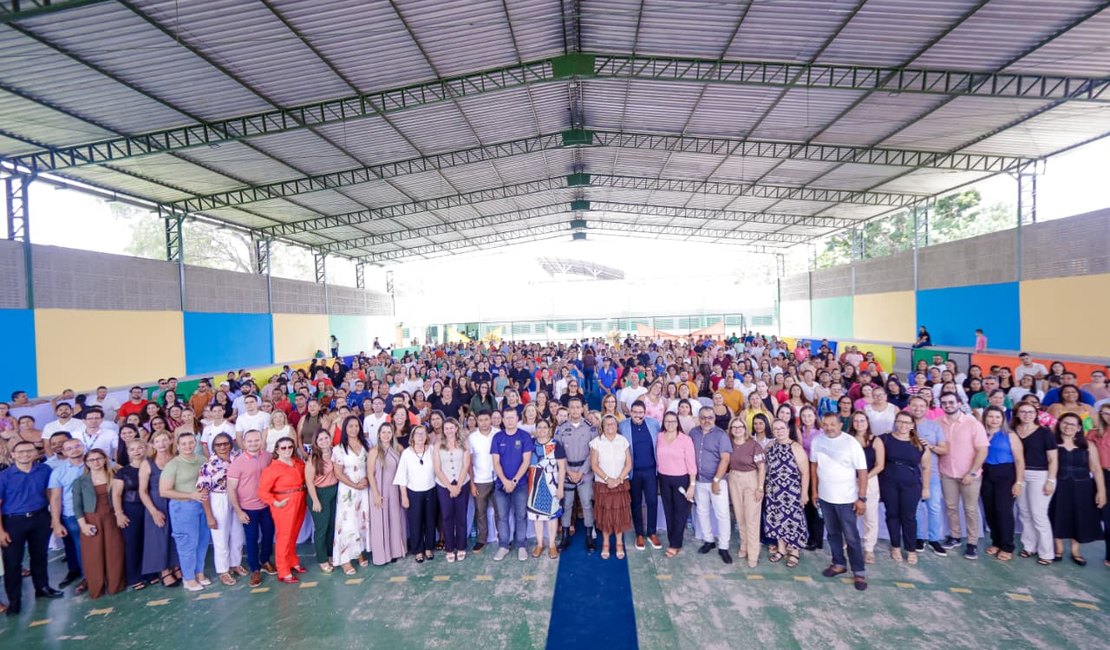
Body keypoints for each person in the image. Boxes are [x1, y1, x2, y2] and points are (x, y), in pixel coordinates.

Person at [0, 440, 64, 616]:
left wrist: (54, 518)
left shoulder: (44, 470)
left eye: (29, 451)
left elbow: (51, 494)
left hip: (40, 518)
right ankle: (15, 600)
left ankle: (42, 588)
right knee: (12, 563)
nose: (25, 455)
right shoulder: (4, 476)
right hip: (13, 522)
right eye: (20, 452)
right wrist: (1, 531)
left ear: (36, 453)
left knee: (40, 556)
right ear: (12, 455)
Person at [810, 412, 869, 591]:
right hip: (825, 498)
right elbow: (814, 466)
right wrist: (814, 491)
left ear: (840, 425)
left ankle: (859, 572)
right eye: (825, 424)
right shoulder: (817, 441)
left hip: (846, 499)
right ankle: (838, 563)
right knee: (833, 534)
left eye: (832, 424)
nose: (828, 428)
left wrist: (861, 498)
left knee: (851, 537)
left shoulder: (851, 443)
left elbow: (862, 471)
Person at [1049, 413, 1106, 566]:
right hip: (1059, 486)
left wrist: (1101, 491)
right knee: (1057, 514)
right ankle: (1058, 548)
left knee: (1079, 517)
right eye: (1065, 423)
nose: (1068, 427)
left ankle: (1076, 551)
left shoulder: (1088, 445)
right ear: (1059, 424)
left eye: (1072, 424)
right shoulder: (1052, 442)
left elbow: (1096, 469)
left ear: (1079, 428)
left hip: (1083, 487)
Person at [937, 391, 989, 560]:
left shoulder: (973, 423)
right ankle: (955, 536)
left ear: (959, 403)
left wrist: (972, 472)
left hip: (969, 475)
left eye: (951, 402)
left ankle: (972, 543)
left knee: (970, 509)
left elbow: (982, 450)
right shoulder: (938, 423)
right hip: (947, 473)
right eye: (944, 403)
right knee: (951, 508)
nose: (948, 405)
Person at [160, 432, 210, 592]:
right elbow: (164, 491)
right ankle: (188, 578)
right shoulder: (173, 464)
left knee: (202, 541)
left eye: (190, 443)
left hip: (202, 505)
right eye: (184, 444)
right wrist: (190, 495)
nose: (188, 446)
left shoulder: (202, 460)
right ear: (178, 446)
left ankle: (199, 572)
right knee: (188, 544)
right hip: (183, 508)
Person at [73, 448, 126, 599]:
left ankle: (115, 584)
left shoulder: (115, 476)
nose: (95, 462)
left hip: (111, 517)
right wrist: (83, 525)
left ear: (105, 459)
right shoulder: (80, 482)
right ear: (86, 463)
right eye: (91, 460)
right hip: (91, 519)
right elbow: (77, 506)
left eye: (98, 458)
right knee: (93, 554)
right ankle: (96, 586)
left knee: (114, 551)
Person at [226, 430, 276, 587]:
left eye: (256, 440)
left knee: (269, 534)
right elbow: (231, 490)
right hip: (248, 508)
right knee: (252, 539)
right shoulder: (237, 463)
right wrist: (239, 511)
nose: (253, 443)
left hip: (267, 505)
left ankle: (265, 560)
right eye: (250, 441)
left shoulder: (267, 456)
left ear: (261, 440)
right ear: (244, 443)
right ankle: (255, 569)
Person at [880, 412, 931, 565]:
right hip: (889, 482)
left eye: (907, 422)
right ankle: (895, 546)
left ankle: (911, 549)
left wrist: (926, 488)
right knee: (892, 515)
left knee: (909, 517)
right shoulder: (885, 439)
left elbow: (926, 467)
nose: (903, 425)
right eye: (900, 422)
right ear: (895, 422)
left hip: (911, 485)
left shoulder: (920, 444)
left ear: (912, 425)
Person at [196, 433, 245, 586]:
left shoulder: (238, 459)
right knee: (220, 537)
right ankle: (223, 570)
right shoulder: (208, 465)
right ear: (213, 447)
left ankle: (235, 563)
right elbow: (203, 492)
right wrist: (209, 516)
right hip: (219, 498)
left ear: (231, 444)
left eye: (225, 443)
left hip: (237, 498)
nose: (222, 447)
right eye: (218, 445)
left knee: (237, 533)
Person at [257, 437, 307, 584]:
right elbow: (263, 492)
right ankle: (283, 570)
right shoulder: (272, 469)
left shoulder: (298, 463)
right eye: (283, 448)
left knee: (294, 533)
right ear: (277, 450)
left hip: (300, 499)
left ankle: (292, 561)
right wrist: (275, 503)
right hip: (284, 503)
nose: (287, 450)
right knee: (284, 536)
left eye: (290, 447)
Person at [979, 406, 1025, 562]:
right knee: (989, 510)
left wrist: (1018, 482)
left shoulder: (1010, 435)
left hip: (1005, 474)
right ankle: (996, 542)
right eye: (990, 416)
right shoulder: (981, 434)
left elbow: (1019, 460)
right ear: (985, 418)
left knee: (1003, 510)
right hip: (986, 473)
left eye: (997, 417)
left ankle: (1007, 546)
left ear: (1003, 419)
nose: (994, 420)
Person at [763, 419, 809, 568]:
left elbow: (805, 472)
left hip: (791, 492)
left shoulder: (795, 447)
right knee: (776, 520)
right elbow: (765, 467)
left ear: (787, 430)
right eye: (775, 429)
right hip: (773, 491)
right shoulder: (770, 446)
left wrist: (804, 493)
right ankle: (781, 549)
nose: (779, 431)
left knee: (793, 521)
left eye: (781, 428)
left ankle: (794, 551)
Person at [690, 406, 734, 564]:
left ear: (714, 418)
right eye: (703, 417)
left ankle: (724, 546)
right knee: (702, 512)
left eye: (709, 417)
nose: (706, 420)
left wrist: (716, 480)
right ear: (698, 418)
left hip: (716, 481)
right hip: (699, 481)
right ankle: (709, 540)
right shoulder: (693, 433)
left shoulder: (721, 435)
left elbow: (725, 459)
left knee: (722, 514)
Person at [908, 396, 949, 556]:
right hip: (911, 473)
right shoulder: (904, 423)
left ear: (927, 408)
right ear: (909, 406)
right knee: (916, 507)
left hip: (931, 472)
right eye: (915, 405)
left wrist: (930, 446)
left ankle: (934, 539)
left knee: (934, 507)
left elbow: (944, 449)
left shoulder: (934, 427)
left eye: (921, 406)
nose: (918, 409)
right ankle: (918, 537)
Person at [492, 408, 534, 561]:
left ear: (517, 418)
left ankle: (521, 546)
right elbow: (496, 463)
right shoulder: (497, 437)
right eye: (507, 418)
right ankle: (504, 546)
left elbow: (526, 461)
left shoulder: (524, 436)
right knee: (502, 517)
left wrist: (514, 481)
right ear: (503, 420)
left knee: (521, 516)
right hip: (501, 485)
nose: (509, 420)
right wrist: (505, 481)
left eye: (512, 417)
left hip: (520, 484)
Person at [617, 401, 661, 550]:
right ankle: (639, 534)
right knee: (635, 503)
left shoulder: (654, 424)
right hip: (633, 472)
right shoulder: (623, 426)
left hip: (650, 471)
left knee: (652, 502)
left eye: (640, 412)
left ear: (645, 412)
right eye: (634, 412)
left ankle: (652, 533)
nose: (637, 415)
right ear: (630, 412)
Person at [555, 397, 596, 552]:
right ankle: (565, 536)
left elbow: (593, 452)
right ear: (568, 409)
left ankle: (588, 536)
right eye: (572, 407)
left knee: (586, 503)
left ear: (582, 409)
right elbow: (558, 452)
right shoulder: (560, 428)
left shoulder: (590, 428)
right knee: (567, 505)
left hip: (584, 472)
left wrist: (582, 471)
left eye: (578, 407)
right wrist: (568, 471)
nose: (575, 410)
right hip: (567, 472)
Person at [332, 416, 371, 573]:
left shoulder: (366, 445)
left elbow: (371, 465)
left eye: (356, 426)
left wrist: (367, 478)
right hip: (348, 491)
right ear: (345, 429)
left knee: (361, 521)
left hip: (364, 489)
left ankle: (359, 552)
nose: (354, 429)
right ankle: (344, 558)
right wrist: (354, 485)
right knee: (347, 523)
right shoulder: (339, 449)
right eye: (350, 426)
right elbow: (338, 473)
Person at [590, 415, 632, 560]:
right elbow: (594, 465)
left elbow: (628, 464)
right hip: (603, 484)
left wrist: (619, 479)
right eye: (607, 424)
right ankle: (606, 544)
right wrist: (608, 479)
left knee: (620, 515)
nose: (610, 427)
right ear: (602, 426)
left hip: (620, 484)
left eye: (612, 424)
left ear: (616, 425)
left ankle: (619, 544)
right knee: (605, 515)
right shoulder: (596, 442)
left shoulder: (623, 441)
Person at [726, 418, 765, 568]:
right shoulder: (729, 444)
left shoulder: (754, 445)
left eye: (740, 426)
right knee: (740, 515)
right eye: (734, 427)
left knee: (752, 517)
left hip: (751, 478)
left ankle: (753, 553)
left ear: (745, 428)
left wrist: (760, 488)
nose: (737, 429)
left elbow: (761, 468)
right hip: (734, 478)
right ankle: (744, 545)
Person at [656, 411, 696, 558]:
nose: (670, 424)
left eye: (673, 421)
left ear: (677, 423)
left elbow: (691, 463)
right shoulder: (659, 437)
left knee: (680, 512)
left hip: (681, 479)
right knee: (668, 511)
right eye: (667, 421)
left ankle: (675, 544)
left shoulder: (685, 439)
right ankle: (672, 539)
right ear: (663, 423)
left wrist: (692, 485)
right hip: (664, 478)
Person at [49, 437, 86, 592]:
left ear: (83, 446)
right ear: (63, 452)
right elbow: (55, 498)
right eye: (69, 448)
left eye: (77, 446)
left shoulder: (96, 462)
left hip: (95, 511)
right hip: (71, 515)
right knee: (81, 547)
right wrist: (56, 522)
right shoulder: (59, 472)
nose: (75, 450)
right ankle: (87, 577)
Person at [396, 426, 438, 563]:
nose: (420, 436)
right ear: (412, 437)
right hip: (413, 492)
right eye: (417, 434)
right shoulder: (407, 453)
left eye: (423, 434)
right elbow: (402, 476)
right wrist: (404, 496)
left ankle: (428, 548)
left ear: (427, 436)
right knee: (415, 522)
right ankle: (418, 550)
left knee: (430, 521)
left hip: (431, 490)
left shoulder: (431, 450)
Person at [111, 439, 148, 591]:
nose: (137, 451)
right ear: (128, 452)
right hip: (131, 509)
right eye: (133, 449)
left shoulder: (151, 466)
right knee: (132, 543)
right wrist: (119, 513)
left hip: (150, 508)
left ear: (145, 449)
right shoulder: (123, 471)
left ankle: (150, 573)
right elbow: (116, 494)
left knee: (149, 542)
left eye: (140, 448)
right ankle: (134, 577)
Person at [368, 423, 407, 566]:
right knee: (381, 522)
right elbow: (370, 475)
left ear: (392, 434)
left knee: (395, 520)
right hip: (380, 490)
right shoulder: (374, 451)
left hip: (394, 490)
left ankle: (395, 551)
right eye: (383, 432)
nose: (386, 435)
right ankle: (382, 555)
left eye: (388, 432)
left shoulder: (397, 450)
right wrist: (376, 494)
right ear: (378, 434)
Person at [526, 419, 565, 559]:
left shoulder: (556, 445)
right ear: (536, 429)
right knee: (537, 516)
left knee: (551, 516)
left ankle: (552, 545)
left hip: (551, 484)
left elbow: (562, 468)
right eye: (539, 427)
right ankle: (540, 544)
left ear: (550, 429)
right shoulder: (530, 444)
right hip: (533, 485)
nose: (542, 430)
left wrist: (560, 487)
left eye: (545, 427)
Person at [432, 418, 470, 562]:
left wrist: (458, 486)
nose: (449, 430)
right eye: (446, 428)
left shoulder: (464, 443)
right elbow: (437, 468)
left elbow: (466, 465)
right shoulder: (438, 445)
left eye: (451, 428)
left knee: (461, 516)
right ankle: (449, 548)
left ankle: (461, 547)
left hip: (462, 483)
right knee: (447, 517)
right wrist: (450, 487)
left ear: (456, 428)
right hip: (444, 485)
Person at [849, 411, 885, 564]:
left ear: (867, 422)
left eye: (862, 421)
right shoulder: (848, 440)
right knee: (849, 515)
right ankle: (848, 541)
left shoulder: (876, 441)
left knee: (870, 516)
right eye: (856, 421)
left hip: (870, 481)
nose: (859, 424)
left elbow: (880, 465)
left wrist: (864, 477)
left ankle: (869, 548)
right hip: (850, 480)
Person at [305, 430, 338, 573]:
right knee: (321, 529)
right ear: (316, 443)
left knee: (332, 527)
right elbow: (309, 482)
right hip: (319, 493)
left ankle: (330, 555)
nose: (324, 441)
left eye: (326, 438)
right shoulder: (313, 459)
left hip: (334, 491)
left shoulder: (335, 453)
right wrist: (315, 501)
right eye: (320, 439)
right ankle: (322, 559)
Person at [467, 411, 498, 553]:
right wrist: (472, 483)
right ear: (476, 421)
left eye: (486, 419)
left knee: (500, 511)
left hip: (498, 479)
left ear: (490, 420)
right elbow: (469, 463)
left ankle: (504, 539)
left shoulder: (498, 433)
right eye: (481, 420)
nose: (484, 422)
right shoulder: (472, 438)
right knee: (481, 512)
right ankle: (482, 540)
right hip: (480, 480)